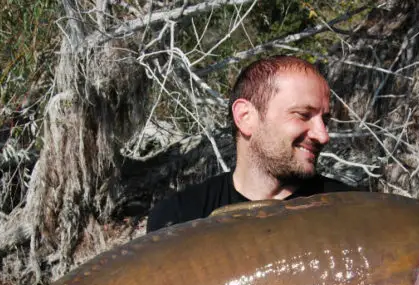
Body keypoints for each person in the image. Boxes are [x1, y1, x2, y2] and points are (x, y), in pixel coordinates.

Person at [146, 55, 354, 232]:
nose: (323, 135)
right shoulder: (178, 217)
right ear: (246, 117)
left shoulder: (350, 210)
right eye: (303, 115)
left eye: (324, 121)